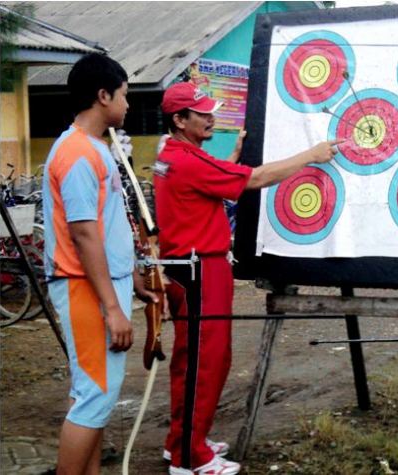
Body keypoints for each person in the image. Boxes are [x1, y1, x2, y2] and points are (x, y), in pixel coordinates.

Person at [153, 81, 344, 475]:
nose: (211, 117)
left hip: (193, 269)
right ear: (179, 119)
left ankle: (183, 442)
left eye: (210, 110)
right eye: (202, 113)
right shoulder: (187, 160)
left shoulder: (175, 155)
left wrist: (233, 159)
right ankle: (191, 458)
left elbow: (212, 180)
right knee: (204, 362)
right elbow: (253, 180)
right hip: (198, 270)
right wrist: (312, 154)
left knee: (196, 359)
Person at [42, 53, 160, 475]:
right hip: (83, 288)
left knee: (90, 392)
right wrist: (113, 308)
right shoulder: (75, 153)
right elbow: (84, 234)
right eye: (125, 95)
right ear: (103, 95)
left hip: (103, 284)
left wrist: (131, 279)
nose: (128, 105)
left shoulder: (96, 148)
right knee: (97, 396)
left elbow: (107, 225)